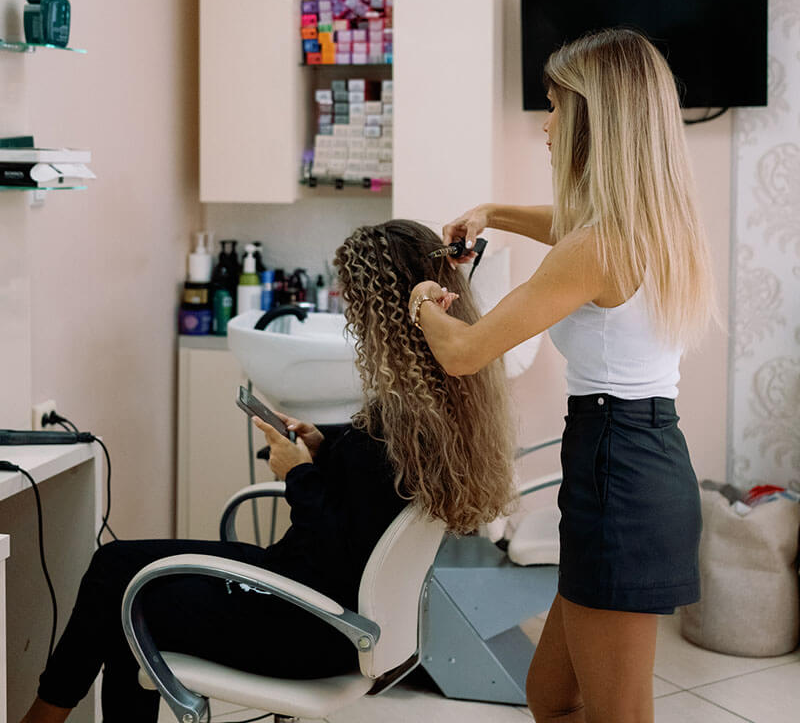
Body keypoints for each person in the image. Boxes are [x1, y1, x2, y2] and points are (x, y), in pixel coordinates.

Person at [21, 219, 515, 723]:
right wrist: (324, 446)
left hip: (308, 623)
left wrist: (296, 473)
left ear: (382, 309)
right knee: (119, 568)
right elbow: (366, 498)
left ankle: (41, 718)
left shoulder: (400, 422)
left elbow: (330, 545)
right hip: (328, 610)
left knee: (124, 590)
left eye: (356, 300)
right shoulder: (431, 410)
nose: (350, 313)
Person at [408, 28, 715, 723]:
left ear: (594, 119)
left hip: (619, 474)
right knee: (552, 696)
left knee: (616, 713)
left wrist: (422, 301)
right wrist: (491, 211)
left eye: (555, 107)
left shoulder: (597, 247)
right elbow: (569, 227)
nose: (546, 126)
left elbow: (463, 353)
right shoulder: (651, 223)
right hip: (635, 461)